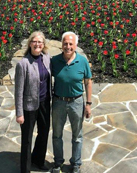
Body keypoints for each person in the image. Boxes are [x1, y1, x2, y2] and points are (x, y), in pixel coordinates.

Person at [51, 32, 92, 173]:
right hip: (58, 102)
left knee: (77, 136)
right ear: (61, 45)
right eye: (65, 43)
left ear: (76, 45)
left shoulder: (82, 61)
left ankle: (76, 163)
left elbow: (88, 81)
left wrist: (88, 104)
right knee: (57, 134)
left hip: (77, 102)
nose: (68, 46)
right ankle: (58, 162)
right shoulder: (54, 61)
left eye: (71, 44)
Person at [14, 31, 52, 173]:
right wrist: (19, 113)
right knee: (27, 139)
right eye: (35, 42)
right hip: (29, 107)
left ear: (43, 45)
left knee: (44, 133)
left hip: (44, 103)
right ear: (30, 43)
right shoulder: (23, 64)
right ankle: (25, 169)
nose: (37, 44)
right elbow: (18, 91)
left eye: (40, 42)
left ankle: (38, 160)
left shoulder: (47, 58)